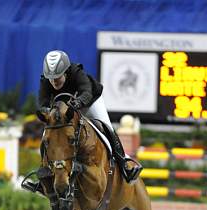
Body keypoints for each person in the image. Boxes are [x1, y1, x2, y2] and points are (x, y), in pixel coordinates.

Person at [38, 50, 142, 183]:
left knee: (107, 127)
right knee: (46, 135)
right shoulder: (46, 80)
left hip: (89, 103)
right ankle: (44, 173)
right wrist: (47, 111)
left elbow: (86, 93)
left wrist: (78, 102)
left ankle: (124, 165)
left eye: (57, 77)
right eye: (51, 78)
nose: (53, 82)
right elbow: (42, 102)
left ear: (65, 71)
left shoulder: (76, 72)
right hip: (66, 110)